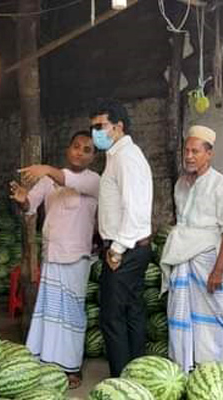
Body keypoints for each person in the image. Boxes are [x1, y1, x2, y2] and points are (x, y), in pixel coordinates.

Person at [10, 131, 99, 389]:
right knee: (49, 313)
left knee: (71, 316)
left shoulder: (94, 181)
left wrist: (46, 168)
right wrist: (22, 200)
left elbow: (69, 180)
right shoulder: (49, 182)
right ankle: (46, 362)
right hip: (52, 255)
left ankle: (72, 368)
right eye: (76, 147)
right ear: (68, 149)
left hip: (77, 258)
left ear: (93, 157)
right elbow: (30, 206)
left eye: (87, 149)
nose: (80, 152)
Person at [160, 125, 223, 372]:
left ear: (209, 154)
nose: (189, 156)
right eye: (186, 150)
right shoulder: (181, 185)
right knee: (180, 318)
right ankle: (184, 370)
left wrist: (217, 270)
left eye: (195, 151)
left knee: (212, 322)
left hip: (210, 265)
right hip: (182, 261)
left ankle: (212, 372)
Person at [90, 99, 153, 377]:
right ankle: (134, 376)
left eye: (100, 126)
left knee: (112, 317)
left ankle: (121, 379)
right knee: (131, 313)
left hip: (125, 250)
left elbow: (136, 208)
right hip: (127, 248)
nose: (95, 132)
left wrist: (116, 249)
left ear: (118, 127)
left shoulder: (127, 158)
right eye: (93, 127)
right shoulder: (117, 156)